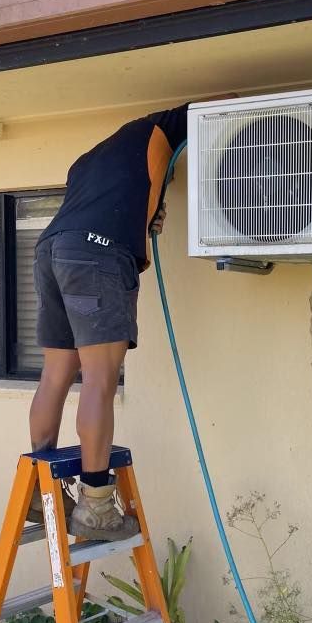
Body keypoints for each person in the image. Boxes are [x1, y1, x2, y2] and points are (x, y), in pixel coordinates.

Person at [27, 102, 189, 542]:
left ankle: (43, 492)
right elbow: (220, 110)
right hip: (94, 254)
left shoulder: (90, 161)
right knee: (99, 378)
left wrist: (146, 218)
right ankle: (96, 505)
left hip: (52, 249)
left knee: (56, 374)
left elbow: (130, 200)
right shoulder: (167, 126)